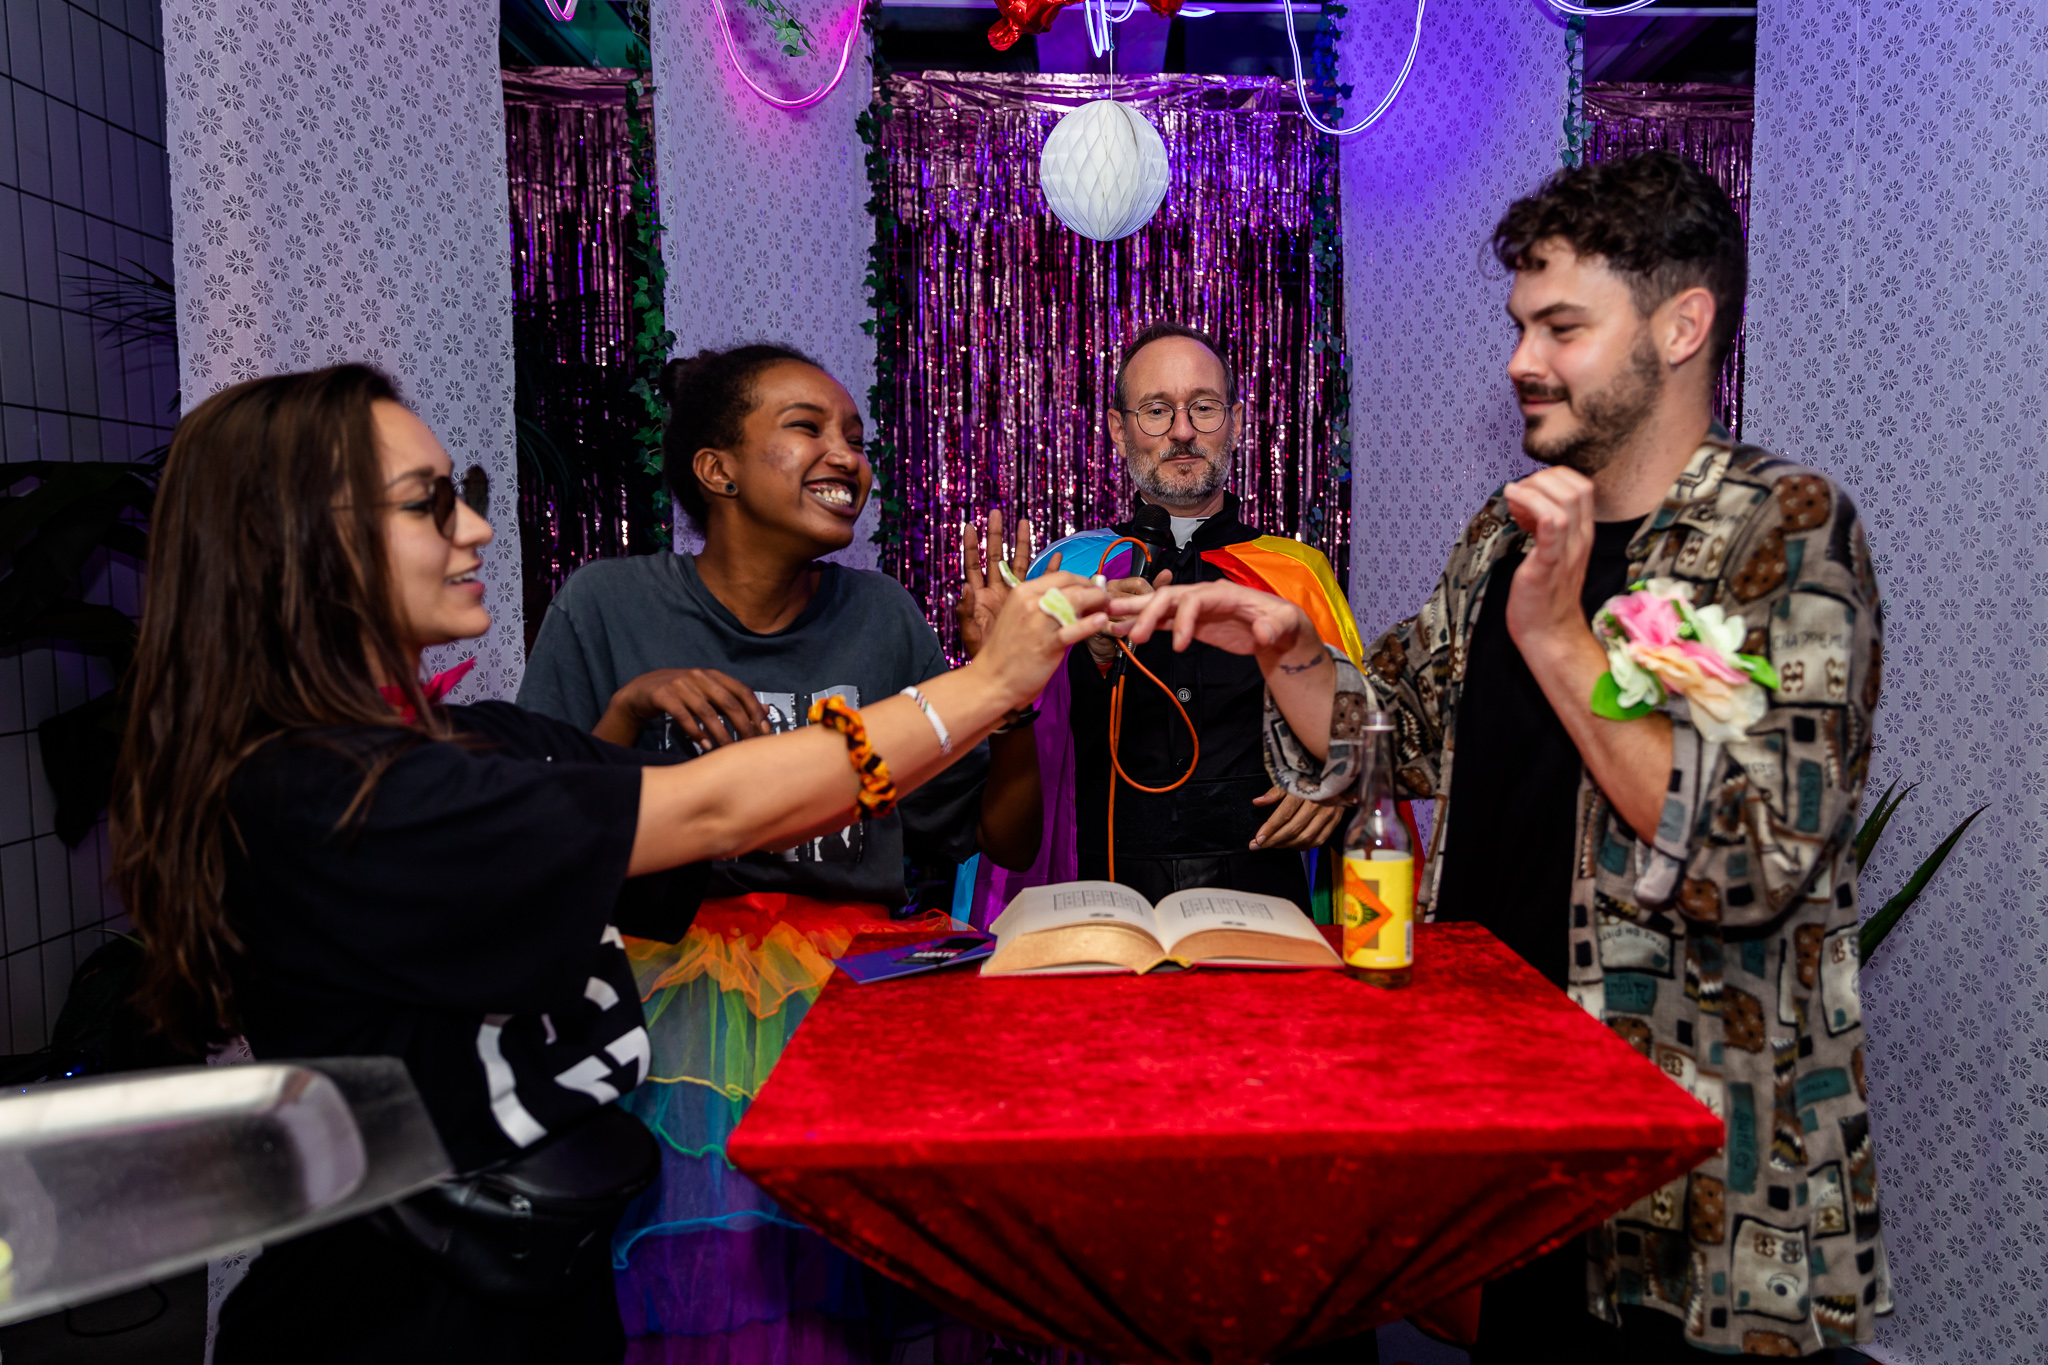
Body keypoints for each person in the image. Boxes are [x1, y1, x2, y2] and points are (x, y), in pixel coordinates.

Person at [110, 364, 1105, 1363]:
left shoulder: (467, 742)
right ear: (295, 542)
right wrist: (987, 682)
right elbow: (711, 807)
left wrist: (994, 700)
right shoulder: (333, 791)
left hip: (527, 1296)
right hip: (397, 1322)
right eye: (427, 504)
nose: (476, 530)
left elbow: (748, 796)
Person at [1272, 151, 1887, 1360]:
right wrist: (1286, 650)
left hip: (1692, 1168)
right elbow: (1390, 737)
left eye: (1560, 326)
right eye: (1517, 325)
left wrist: (1558, 638)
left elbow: (1747, 856)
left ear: (1679, 326)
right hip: (1506, 1130)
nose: (1520, 359)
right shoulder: (1505, 535)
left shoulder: (1781, 530)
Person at [516, 345, 1045, 1358]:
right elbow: (541, 834)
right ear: (716, 469)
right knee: (694, 1302)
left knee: (852, 1308)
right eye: (807, 427)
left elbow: (998, 836)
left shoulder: (882, 615)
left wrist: (1003, 693)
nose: (846, 454)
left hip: (857, 1002)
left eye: (855, 436)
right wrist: (629, 708)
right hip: (663, 1009)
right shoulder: (608, 604)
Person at [1050, 321, 1364, 907]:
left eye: (1203, 407)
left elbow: (1365, 736)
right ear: (1118, 430)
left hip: (1265, 890)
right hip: (1099, 891)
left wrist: (1339, 776)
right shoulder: (1067, 570)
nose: (1182, 431)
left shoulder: (1296, 574)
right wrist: (1089, 658)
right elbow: (1026, 748)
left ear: (1236, 423)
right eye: (1156, 411)